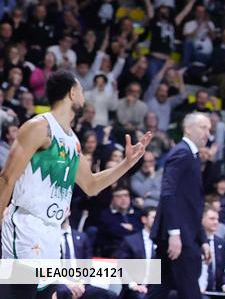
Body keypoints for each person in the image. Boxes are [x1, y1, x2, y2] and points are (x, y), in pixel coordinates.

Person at [0, 71, 151, 299]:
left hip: (52, 232)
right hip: (26, 225)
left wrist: (126, 164)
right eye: (81, 91)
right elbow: (6, 178)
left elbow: (91, 184)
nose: (83, 96)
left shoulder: (72, 140)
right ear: (72, 93)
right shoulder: (39, 127)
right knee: (19, 293)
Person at [149, 112, 213, 299]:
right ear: (188, 128)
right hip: (179, 237)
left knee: (158, 291)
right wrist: (174, 233)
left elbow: (190, 205)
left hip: (181, 234)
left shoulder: (191, 156)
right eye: (203, 127)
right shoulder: (182, 153)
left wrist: (202, 239)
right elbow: (168, 193)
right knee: (190, 292)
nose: (207, 133)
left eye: (209, 129)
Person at [54, 217, 116, 299]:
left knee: (110, 295)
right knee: (64, 292)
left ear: (68, 212)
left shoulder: (82, 237)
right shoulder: (51, 238)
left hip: (81, 283)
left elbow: (88, 265)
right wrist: (67, 284)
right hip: (61, 283)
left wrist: (81, 284)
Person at [116, 207, 158, 299]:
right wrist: (133, 285)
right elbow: (121, 267)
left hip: (157, 289)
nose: (158, 220)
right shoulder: (131, 241)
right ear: (144, 219)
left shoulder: (164, 241)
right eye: (154, 217)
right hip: (136, 289)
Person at [96, 185, 142, 256]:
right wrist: (134, 230)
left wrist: (132, 229)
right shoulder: (106, 214)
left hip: (137, 250)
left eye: (126, 195)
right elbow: (113, 232)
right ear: (112, 199)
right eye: (119, 196)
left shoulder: (138, 213)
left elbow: (144, 232)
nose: (123, 199)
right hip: (114, 251)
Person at [199, 206, 225, 296]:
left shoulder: (221, 243)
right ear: (201, 220)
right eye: (212, 219)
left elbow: (222, 271)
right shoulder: (193, 243)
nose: (216, 222)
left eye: (217, 219)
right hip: (197, 290)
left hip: (215, 291)